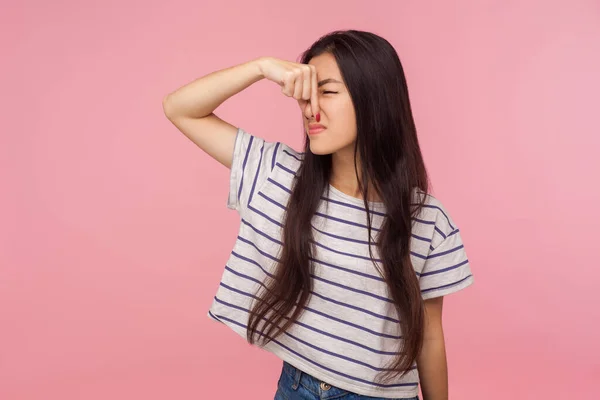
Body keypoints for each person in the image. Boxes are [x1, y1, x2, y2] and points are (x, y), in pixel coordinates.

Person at [163, 29, 474, 400]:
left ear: (374, 99)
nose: (311, 109)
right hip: (296, 388)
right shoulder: (277, 174)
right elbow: (179, 108)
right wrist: (261, 67)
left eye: (326, 92)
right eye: (307, 95)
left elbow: (429, 334)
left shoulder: (427, 220)